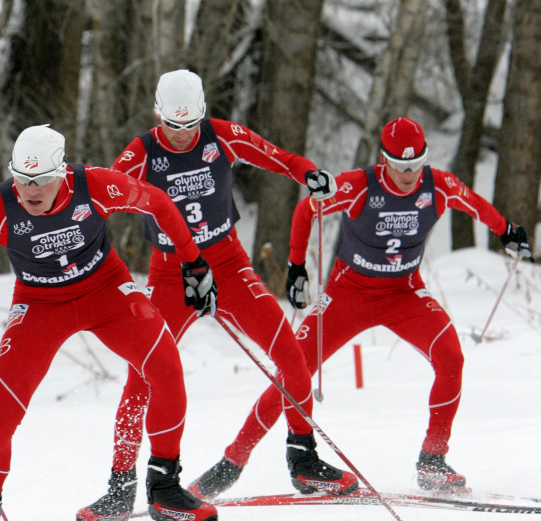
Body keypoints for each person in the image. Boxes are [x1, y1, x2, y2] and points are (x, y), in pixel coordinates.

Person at [0, 124, 220, 521]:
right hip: (39, 305)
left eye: (40, 181)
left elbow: (159, 203)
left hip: (106, 291)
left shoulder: (95, 185)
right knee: (1, 404)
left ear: (62, 174)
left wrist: (195, 264)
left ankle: (164, 485)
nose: (30, 191)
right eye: (21, 179)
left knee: (165, 367)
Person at [191, 116, 534, 498]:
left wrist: (507, 231)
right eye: (400, 166)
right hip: (347, 295)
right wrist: (296, 266)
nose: (408, 175)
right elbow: (307, 210)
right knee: (293, 370)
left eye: (416, 165)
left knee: (451, 357)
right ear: (383, 159)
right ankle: (232, 462)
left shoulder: (439, 186)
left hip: (404, 293)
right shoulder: (358, 185)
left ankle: (433, 461)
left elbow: (474, 205)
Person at [75, 69, 358, 521]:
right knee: (142, 377)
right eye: (173, 126)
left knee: (291, 353)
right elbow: (101, 194)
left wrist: (312, 174)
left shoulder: (221, 136)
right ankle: (121, 487)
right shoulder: (141, 151)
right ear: (157, 115)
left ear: (203, 114)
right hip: (171, 273)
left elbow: (277, 157)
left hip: (227, 261)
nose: (183, 136)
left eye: (190, 126)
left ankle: (304, 460)